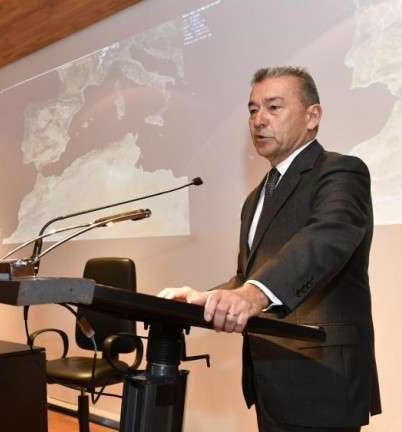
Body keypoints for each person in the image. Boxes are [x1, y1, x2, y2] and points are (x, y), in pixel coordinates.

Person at [159, 67, 380, 432]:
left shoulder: (341, 172)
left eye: (273, 107)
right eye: (252, 110)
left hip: (321, 379)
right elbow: (248, 277)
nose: (258, 120)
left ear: (312, 116)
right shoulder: (255, 198)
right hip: (270, 379)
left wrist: (252, 295)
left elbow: (326, 239)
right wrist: (206, 298)